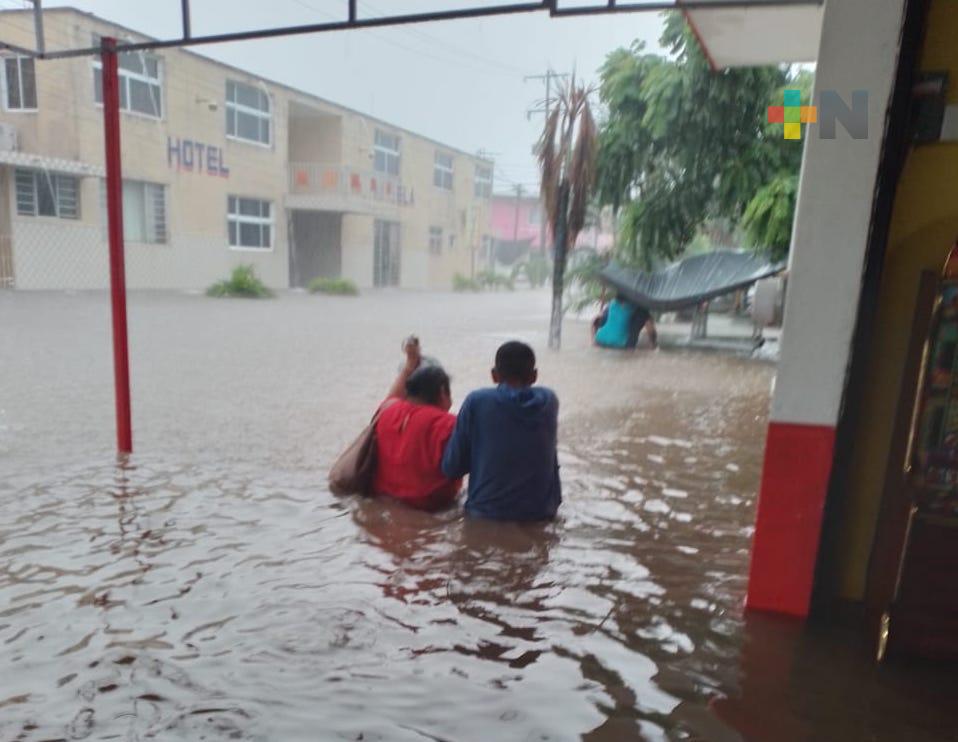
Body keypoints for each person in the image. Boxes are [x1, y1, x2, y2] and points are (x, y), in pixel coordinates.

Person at [441, 341, 561, 521]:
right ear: (534, 376)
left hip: (486, 514)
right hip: (542, 513)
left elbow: (452, 467)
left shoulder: (477, 401)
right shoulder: (549, 401)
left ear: (494, 375)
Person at [372, 337, 461, 511]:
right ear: (443, 392)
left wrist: (409, 364)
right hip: (433, 509)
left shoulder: (387, 411)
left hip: (385, 500)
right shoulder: (449, 424)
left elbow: (394, 395)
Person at [593, 293, 658, 350]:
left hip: (600, 340)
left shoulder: (611, 304)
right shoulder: (641, 308)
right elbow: (650, 329)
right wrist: (653, 344)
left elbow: (595, 321)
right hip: (623, 344)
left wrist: (594, 339)